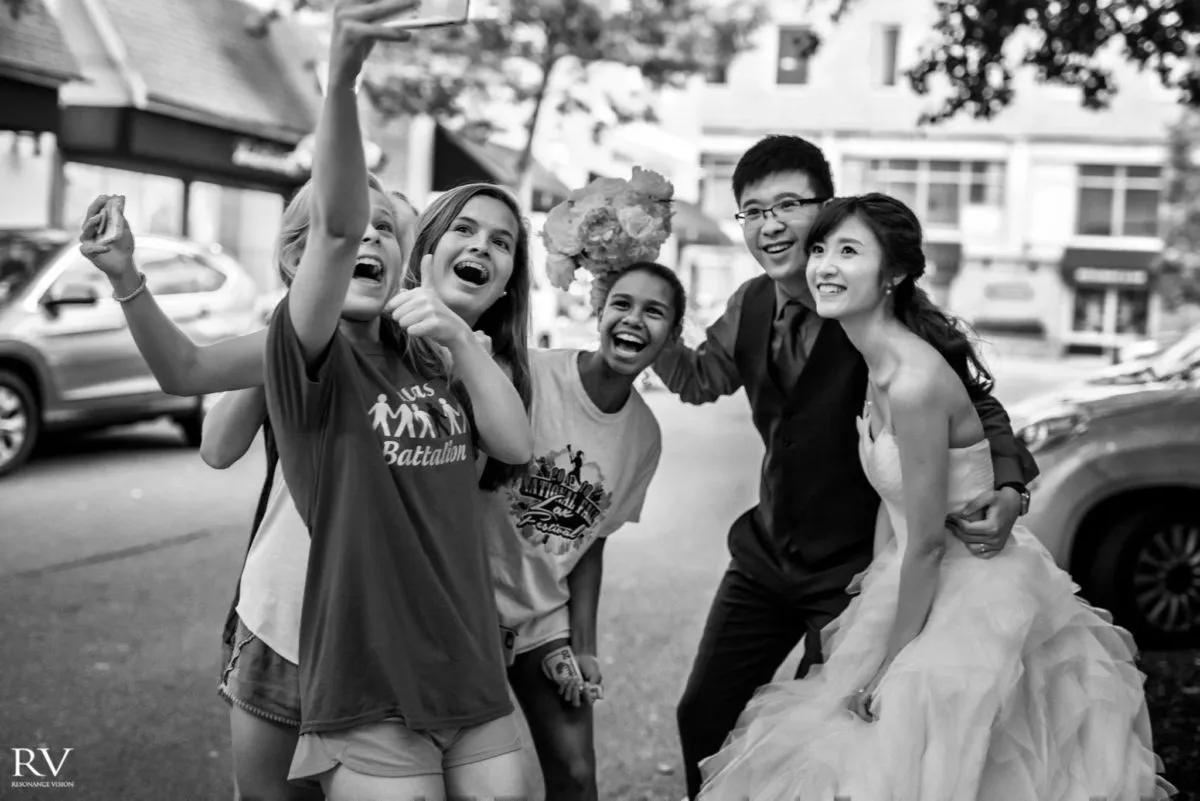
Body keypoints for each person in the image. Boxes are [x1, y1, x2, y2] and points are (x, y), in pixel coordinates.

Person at [81, 3, 534, 799]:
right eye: (361, 229)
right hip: (300, 623)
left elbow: (515, 443)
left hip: (434, 642)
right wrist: (129, 280)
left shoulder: (433, 350)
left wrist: (461, 341)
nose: (371, 239)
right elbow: (194, 380)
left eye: (390, 231)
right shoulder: (304, 342)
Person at [696, 192, 1175, 801]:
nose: (824, 265)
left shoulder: (914, 381)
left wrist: (888, 664)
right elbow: (893, 503)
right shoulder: (873, 357)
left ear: (893, 273)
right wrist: (871, 589)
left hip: (966, 595)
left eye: (848, 251)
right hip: (903, 575)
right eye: (820, 249)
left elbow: (926, 542)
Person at [651, 135, 1040, 799]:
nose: (771, 225)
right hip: (767, 553)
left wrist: (1006, 486)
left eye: (789, 205)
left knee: (831, 748)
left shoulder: (870, 306)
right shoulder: (749, 304)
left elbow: (973, 403)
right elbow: (697, 378)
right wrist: (635, 305)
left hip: (854, 570)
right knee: (703, 714)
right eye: (753, 211)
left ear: (826, 210)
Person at [490, 260, 685, 801]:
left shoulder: (644, 436)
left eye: (654, 312)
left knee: (576, 776)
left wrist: (586, 646)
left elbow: (592, 541)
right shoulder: (530, 375)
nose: (634, 320)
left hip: (541, 618)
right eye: (622, 303)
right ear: (599, 312)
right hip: (467, 603)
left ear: (672, 335)